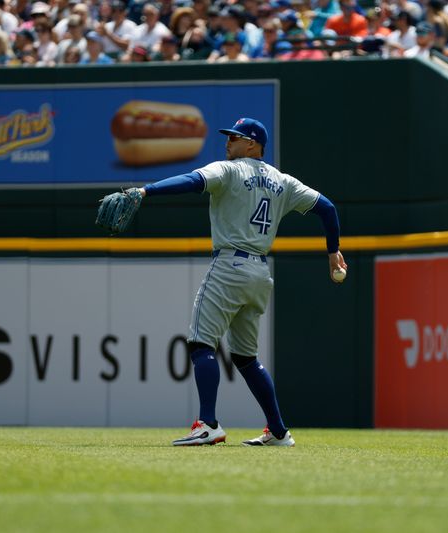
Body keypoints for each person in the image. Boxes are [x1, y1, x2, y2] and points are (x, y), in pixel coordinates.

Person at [134, 118, 345, 447]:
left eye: (236, 137)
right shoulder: (283, 181)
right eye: (230, 137)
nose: (228, 141)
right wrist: (333, 253)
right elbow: (328, 208)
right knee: (246, 358)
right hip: (260, 273)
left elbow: (192, 181)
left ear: (253, 144)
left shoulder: (230, 170)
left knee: (201, 343)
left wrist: (146, 190)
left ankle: (208, 424)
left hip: (230, 265)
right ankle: (278, 431)